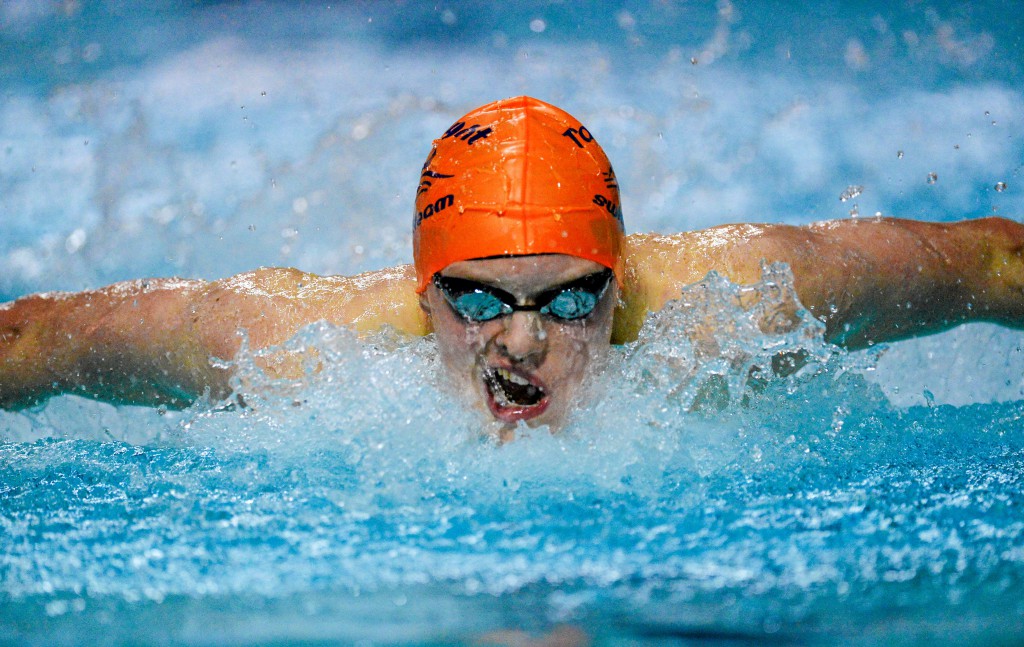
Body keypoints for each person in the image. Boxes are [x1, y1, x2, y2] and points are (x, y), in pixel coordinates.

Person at [1, 96, 1023, 429]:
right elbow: (37, 337)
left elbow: (986, 260)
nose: (521, 342)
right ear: (419, 290)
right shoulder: (292, 347)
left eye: (571, 296)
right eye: (479, 297)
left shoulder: (742, 305)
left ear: (621, 282)